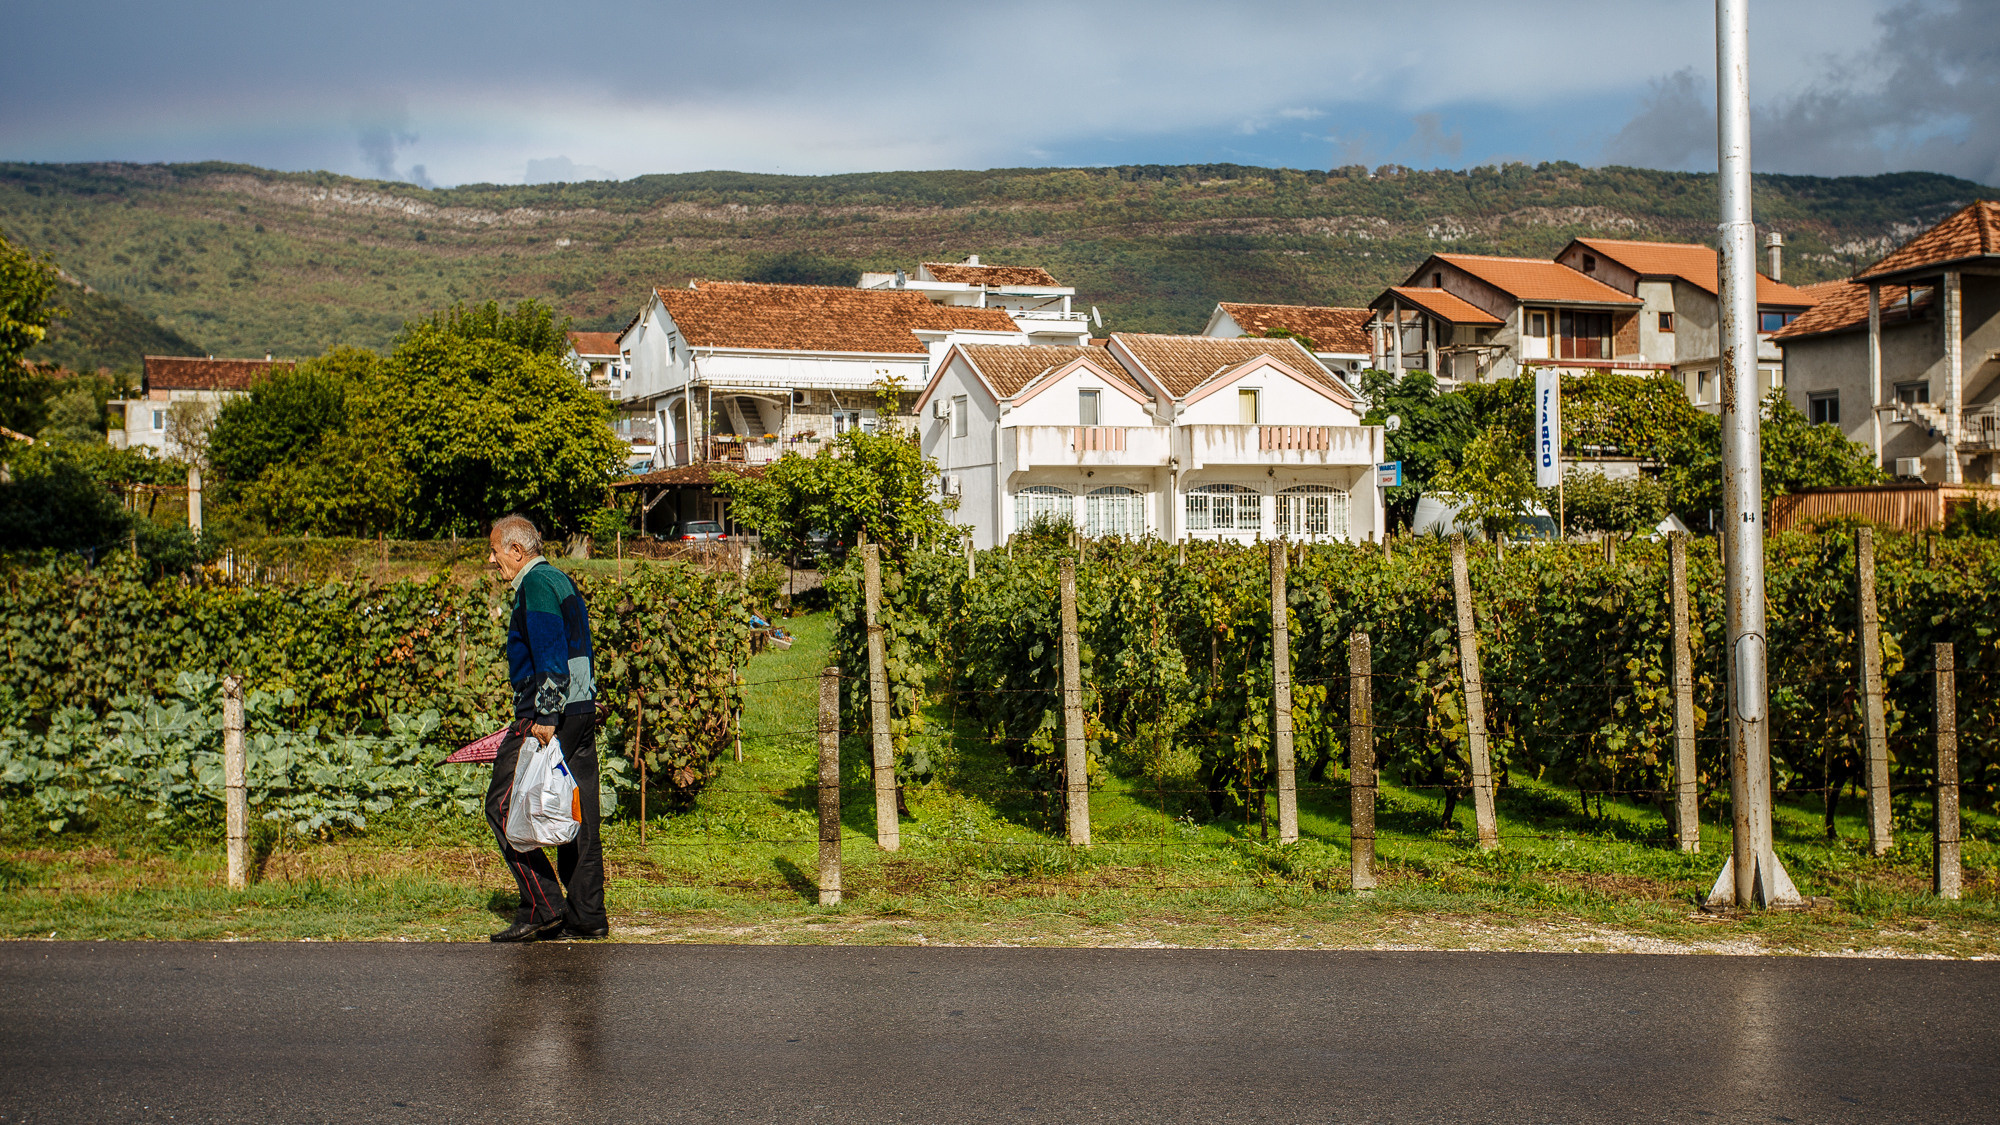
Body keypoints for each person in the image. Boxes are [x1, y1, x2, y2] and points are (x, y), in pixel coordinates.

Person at [485, 514, 607, 942]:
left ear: (517, 551)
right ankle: (587, 916)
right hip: (581, 708)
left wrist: (545, 717)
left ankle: (543, 904)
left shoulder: (534, 586)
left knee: (501, 805)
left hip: (548, 714)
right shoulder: (560, 579)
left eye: (496, 550)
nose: (492, 558)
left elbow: (552, 655)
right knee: (579, 812)